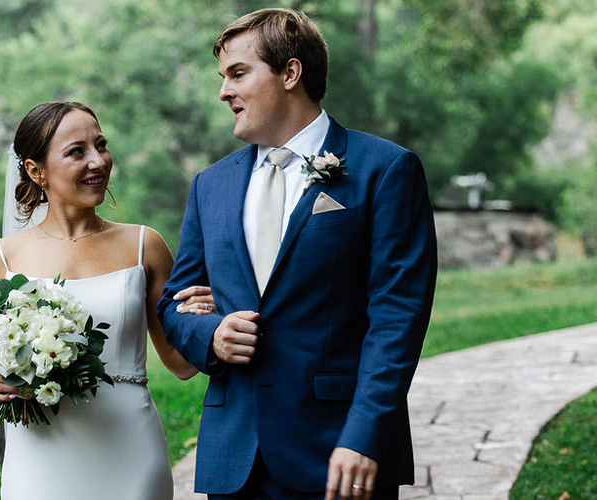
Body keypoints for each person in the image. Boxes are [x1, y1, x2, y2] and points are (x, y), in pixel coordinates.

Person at [157, 8, 437, 500]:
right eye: (222, 78)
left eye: (238, 74)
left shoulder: (385, 170)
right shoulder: (210, 185)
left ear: (290, 73)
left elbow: (397, 317)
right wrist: (211, 334)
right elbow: (175, 303)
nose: (224, 92)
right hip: (234, 458)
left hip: (337, 454)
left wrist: (364, 436)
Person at [0, 101, 213, 499]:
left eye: (101, 145)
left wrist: (203, 315)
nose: (98, 161)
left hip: (130, 450)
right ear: (35, 170)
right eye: (77, 152)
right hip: (39, 455)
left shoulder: (143, 246)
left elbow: (181, 364)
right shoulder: (3, 257)